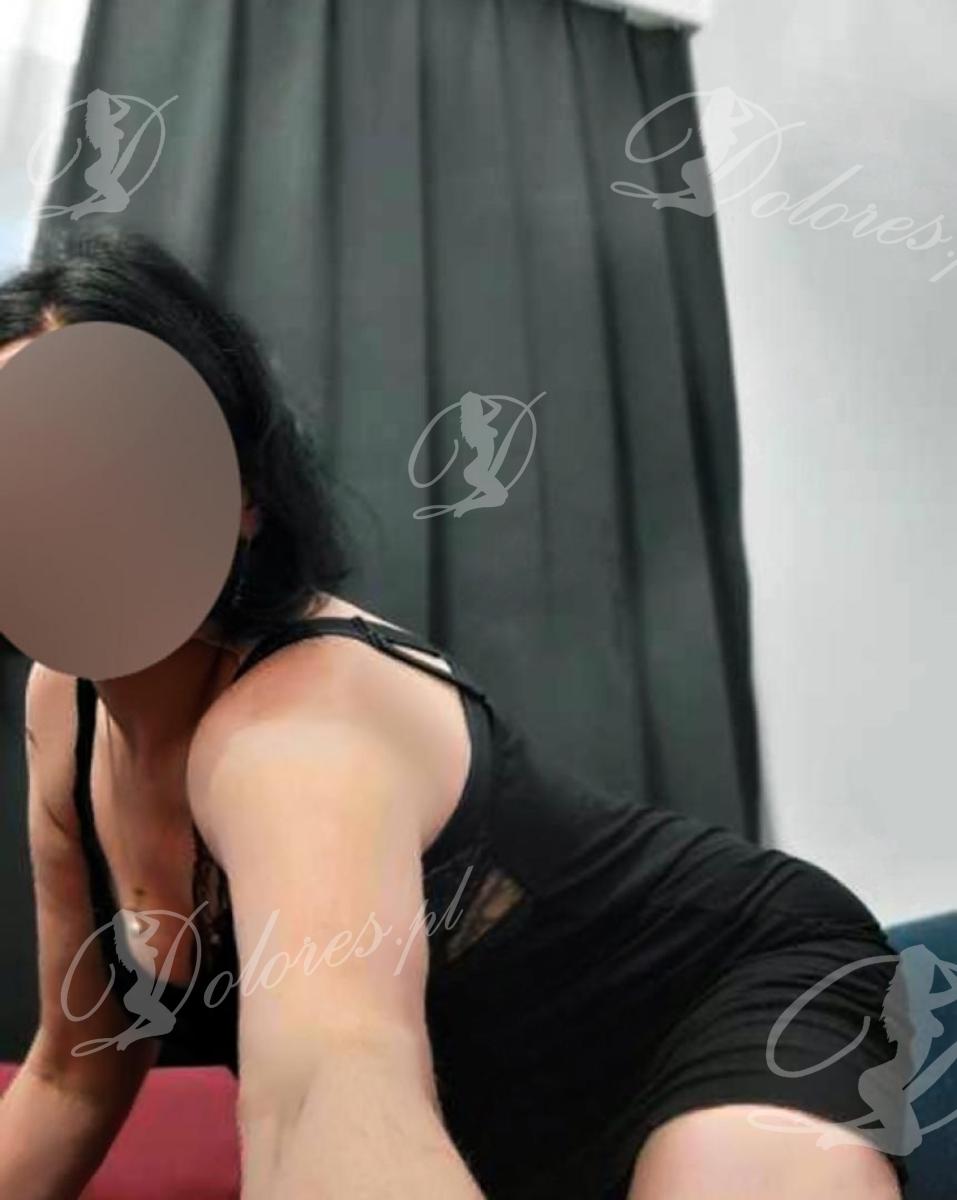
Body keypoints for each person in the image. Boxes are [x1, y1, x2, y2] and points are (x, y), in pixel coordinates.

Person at [0, 231, 908, 1199]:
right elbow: (74, 1069)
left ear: (242, 498)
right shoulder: (64, 706)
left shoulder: (294, 733)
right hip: (499, 1125)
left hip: (712, 999)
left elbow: (323, 1088)